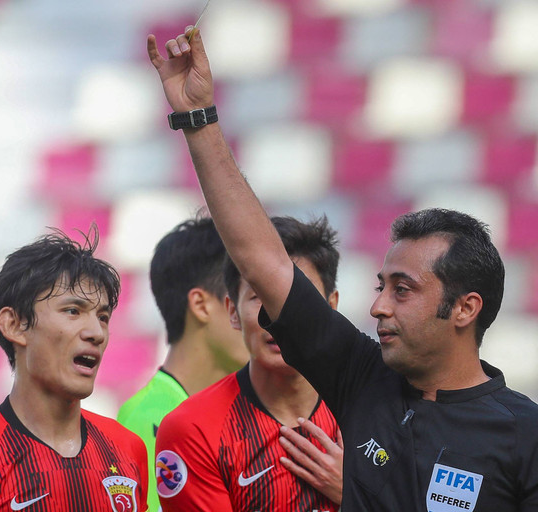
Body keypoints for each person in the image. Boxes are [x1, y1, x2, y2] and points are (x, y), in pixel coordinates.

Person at [146, 25, 538, 511]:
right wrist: (197, 118)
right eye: (381, 286)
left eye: (403, 289)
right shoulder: (361, 378)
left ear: (464, 308)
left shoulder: (525, 434)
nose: (377, 307)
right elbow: (261, 260)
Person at [0, 227, 148, 512]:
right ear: (14, 325)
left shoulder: (127, 449)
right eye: (73, 311)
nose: (96, 332)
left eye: (103, 317)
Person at [154, 215, 343, 512]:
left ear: (331, 307)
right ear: (232, 311)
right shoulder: (192, 429)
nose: (279, 316)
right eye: (260, 296)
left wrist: (354, 491)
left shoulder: (376, 407)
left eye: (299, 296)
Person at [117, 215, 249, 512]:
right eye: (246, 298)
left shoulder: (252, 410)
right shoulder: (145, 419)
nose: (260, 318)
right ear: (202, 305)